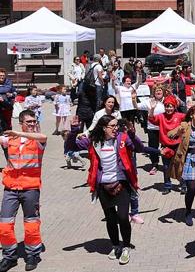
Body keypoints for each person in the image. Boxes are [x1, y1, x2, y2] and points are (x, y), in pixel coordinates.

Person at [70, 115, 147, 265]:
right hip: (103, 186)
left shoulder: (122, 138)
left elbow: (140, 148)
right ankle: (115, 246)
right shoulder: (94, 141)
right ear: (104, 128)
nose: (115, 128)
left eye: (116, 125)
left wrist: (131, 133)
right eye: (112, 126)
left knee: (123, 217)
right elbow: (72, 146)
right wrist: (74, 130)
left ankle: (126, 247)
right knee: (111, 218)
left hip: (122, 183)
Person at [0, 110, 47, 271]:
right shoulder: (10, 139)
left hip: (30, 188)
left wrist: (19, 132)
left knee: (31, 224)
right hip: (10, 188)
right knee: (5, 225)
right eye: (29, 122)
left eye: (34, 121)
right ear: (21, 123)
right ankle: (9, 257)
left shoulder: (38, 139)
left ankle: (33, 255)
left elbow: (43, 137)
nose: (33, 124)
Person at [167, 105, 195, 226]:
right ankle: (188, 212)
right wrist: (178, 132)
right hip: (190, 158)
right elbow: (170, 134)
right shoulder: (185, 126)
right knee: (192, 188)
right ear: (191, 115)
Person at [149, 95, 185, 195]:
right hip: (166, 146)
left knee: (179, 166)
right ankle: (167, 186)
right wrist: (152, 109)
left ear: (174, 107)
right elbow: (151, 119)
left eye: (171, 106)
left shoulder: (179, 116)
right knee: (165, 167)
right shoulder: (161, 116)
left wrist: (186, 105)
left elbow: (189, 117)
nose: (169, 108)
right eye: (167, 106)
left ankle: (183, 185)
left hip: (177, 145)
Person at [134, 85, 165, 175]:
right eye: (156, 91)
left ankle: (167, 165)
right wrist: (133, 99)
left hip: (164, 128)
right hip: (152, 128)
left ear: (163, 92)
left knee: (167, 147)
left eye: (160, 90)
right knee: (153, 147)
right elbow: (137, 106)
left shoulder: (166, 101)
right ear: (153, 93)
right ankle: (155, 164)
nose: (158, 92)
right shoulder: (149, 101)